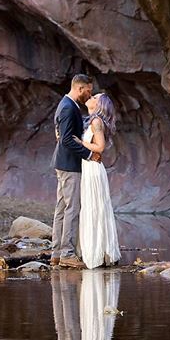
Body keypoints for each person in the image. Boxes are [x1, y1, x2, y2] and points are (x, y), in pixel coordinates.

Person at [51, 75, 99, 269]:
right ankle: (67, 254)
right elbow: (67, 140)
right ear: (80, 88)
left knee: (62, 208)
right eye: (88, 90)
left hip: (63, 163)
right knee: (72, 208)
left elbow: (61, 134)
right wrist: (90, 154)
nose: (90, 94)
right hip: (69, 165)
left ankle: (56, 253)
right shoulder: (68, 107)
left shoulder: (66, 105)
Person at [76, 93, 121, 268]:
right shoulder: (92, 121)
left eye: (95, 97)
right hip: (89, 167)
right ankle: (96, 251)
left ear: (99, 104)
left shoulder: (96, 122)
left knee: (94, 207)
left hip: (93, 168)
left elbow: (100, 147)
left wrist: (80, 142)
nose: (91, 97)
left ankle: (96, 253)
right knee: (91, 207)